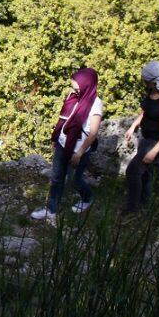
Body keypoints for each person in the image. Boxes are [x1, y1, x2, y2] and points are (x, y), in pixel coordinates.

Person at [32, 68, 102, 221]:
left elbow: (93, 133)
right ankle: (51, 209)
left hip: (78, 149)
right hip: (63, 144)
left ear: (86, 86)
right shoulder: (73, 96)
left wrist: (79, 153)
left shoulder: (95, 104)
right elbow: (64, 119)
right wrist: (56, 139)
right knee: (57, 177)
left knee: (74, 180)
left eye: (76, 87)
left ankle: (87, 198)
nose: (73, 90)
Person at [121, 61, 159, 216]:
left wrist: (154, 151)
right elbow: (146, 112)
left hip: (157, 142)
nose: (144, 82)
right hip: (146, 138)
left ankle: (132, 210)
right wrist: (133, 126)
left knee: (133, 171)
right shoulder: (152, 92)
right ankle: (145, 205)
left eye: (146, 80)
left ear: (154, 80)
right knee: (145, 173)